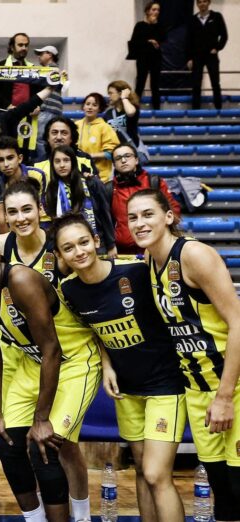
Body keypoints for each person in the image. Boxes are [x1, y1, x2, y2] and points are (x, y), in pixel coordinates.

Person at [53, 212, 187, 522]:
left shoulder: (136, 272)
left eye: (84, 242)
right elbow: (91, 331)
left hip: (165, 385)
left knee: (156, 473)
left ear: (96, 241)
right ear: (59, 255)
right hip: (126, 390)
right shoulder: (69, 291)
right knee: (141, 469)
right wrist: (107, 364)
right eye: (69, 248)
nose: (79, 252)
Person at [0, 181, 102, 522]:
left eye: (27, 209)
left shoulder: (60, 248)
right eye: (12, 212)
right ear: (4, 216)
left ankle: (81, 516)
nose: (21, 217)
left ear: (40, 209)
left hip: (68, 353)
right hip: (25, 358)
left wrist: (107, 359)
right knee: (16, 443)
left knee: (62, 445)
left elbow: (95, 300)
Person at [128, 189, 240, 520]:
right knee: (223, 493)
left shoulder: (193, 255)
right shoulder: (149, 262)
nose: (139, 223)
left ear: (168, 217)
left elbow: (238, 323)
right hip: (197, 388)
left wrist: (225, 397)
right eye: (132, 217)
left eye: (147, 214)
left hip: (232, 387)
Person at [43, 145, 116, 257]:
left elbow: (105, 215)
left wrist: (111, 245)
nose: (62, 165)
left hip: (97, 242)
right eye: (57, 161)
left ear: (73, 162)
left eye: (66, 160)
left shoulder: (91, 182)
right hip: (68, 245)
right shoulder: (51, 189)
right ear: (52, 165)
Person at [108, 143, 180, 255]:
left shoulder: (153, 182)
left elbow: (173, 209)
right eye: (118, 158)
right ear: (114, 165)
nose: (123, 160)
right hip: (123, 252)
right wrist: (110, 245)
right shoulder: (108, 189)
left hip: (156, 248)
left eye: (127, 156)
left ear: (136, 160)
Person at [35, 117, 99, 188]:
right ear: (48, 137)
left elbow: (96, 189)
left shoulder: (85, 160)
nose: (59, 137)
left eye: (64, 133)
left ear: (71, 138)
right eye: (54, 133)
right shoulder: (36, 165)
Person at [187, 0, 228, 110]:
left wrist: (217, 48)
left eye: (204, 1)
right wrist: (189, 58)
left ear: (209, 2)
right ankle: (195, 111)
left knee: (215, 83)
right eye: (199, 2)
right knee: (196, 84)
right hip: (196, 56)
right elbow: (188, 40)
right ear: (197, 4)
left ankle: (218, 109)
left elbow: (224, 35)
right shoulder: (192, 20)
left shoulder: (217, 17)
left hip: (211, 56)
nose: (202, 4)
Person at [0, 33, 41, 112]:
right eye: (20, 45)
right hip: (5, 114)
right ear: (12, 47)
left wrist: (36, 105)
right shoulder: (1, 66)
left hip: (27, 114)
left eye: (26, 45)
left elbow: (37, 92)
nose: (24, 48)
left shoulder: (32, 68)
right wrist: (7, 105)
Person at [74, 93, 120, 182]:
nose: (90, 107)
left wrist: (89, 156)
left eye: (94, 105)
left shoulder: (105, 127)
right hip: (78, 176)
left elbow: (111, 153)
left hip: (101, 178)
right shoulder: (76, 125)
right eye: (87, 104)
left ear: (99, 108)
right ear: (83, 106)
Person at [128, 2, 165, 110]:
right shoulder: (140, 25)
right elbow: (134, 41)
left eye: (158, 10)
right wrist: (148, 41)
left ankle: (157, 109)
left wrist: (154, 25)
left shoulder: (159, 26)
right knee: (140, 83)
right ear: (148, 11)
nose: (156, 12)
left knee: (155, 85)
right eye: (154, 10)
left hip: (155, 58)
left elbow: (162, 39)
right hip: (143, 57)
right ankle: (134, 109)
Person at [33, 45, 63, 162]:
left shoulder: (49, 70)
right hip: (54, 110)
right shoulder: (57, 70)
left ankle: (45, 164)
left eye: (42, 54)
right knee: (52, 139)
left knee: (41, 139)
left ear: (50, 55)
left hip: (47, 109)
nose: (39, 57)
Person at [103, 81, 142, 150]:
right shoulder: (108, 113)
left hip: (130, 149)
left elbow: (130, 113)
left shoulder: (131, 108)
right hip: (115, 150)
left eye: (111, 93)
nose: (109, 96)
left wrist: (124, 98)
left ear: (120, 93)